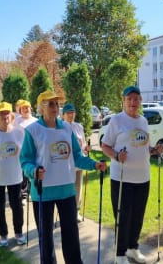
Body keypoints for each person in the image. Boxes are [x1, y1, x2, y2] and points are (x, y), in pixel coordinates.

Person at [20, 90, 107, 264]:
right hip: (43, 192)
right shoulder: (32, 130)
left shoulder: (67, 128)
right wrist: (34, 171)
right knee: (46, 238)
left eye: (57, 104)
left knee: (71, 234)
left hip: (67, 189)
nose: (55, 107)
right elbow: (25, 160)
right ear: (41, 107)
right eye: (50, 104)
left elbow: (76, 155)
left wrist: (94, 164)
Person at [101, 86, 163, 264]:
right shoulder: (116, 120)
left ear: (140, 101)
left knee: (137, 215)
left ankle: (133, 248)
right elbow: (105, 146)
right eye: (129, 99)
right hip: (122, 178)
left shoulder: (143, 121)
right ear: (124, 101)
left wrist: (154, 150)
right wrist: (116, 156)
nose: (133, 102)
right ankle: (120, 254)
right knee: (122, 216)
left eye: (136, 99)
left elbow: (143, 147)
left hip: (143, 177)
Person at [0, 102, 27, 247]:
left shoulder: (19, 132)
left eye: (7, 113)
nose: (5, 116)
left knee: (17, 206)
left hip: (15, 175)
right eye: (1, 114)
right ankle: (3, 235)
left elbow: (25, 152)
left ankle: (19, 233)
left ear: (11, 115)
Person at [61, 103, 91, 222]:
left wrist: (86, 148)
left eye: (72, 112)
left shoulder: (79, 126)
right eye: (68, 113)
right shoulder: (60, 127)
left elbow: (82, 143)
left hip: (78, 162)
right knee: (67, 187)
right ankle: (67, 211)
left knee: (78, 187)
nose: (71, 115)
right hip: (65, 163)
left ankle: (76, 212)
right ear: (63, 115)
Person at [14, 100, 38, 206]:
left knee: (33, 171)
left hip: (34, 150)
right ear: (20, 110)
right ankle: (23, 195)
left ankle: (33, 192)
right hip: (21, 150)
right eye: (23, 108)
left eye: (27, 108)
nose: (26, 110)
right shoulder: (16, 121)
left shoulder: (36, 120)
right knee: (23, 173)